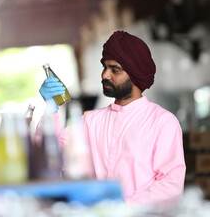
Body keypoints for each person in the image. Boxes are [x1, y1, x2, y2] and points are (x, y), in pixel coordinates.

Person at [37, 31, 186, 207]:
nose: (105, 75)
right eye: (105, 67)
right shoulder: (90, 122)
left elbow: (171, 184)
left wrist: (124, 206)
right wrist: (50, 109)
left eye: (115, 70)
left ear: (135, 74)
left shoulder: (162, 122)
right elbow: (50, 156)